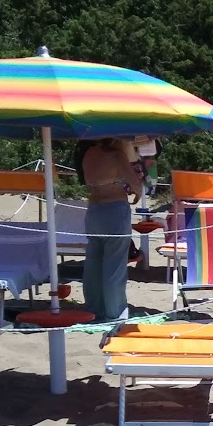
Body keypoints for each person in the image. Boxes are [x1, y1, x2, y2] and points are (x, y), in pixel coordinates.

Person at [76, 136, 141, 321]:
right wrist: (138, 192)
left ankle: (94, 310)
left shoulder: (88, 153)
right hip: (114, 210)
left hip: (94, 211)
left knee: (93, 265)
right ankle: (115, 313)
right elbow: (136, 184)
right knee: (115, 266)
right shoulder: (116, 155)